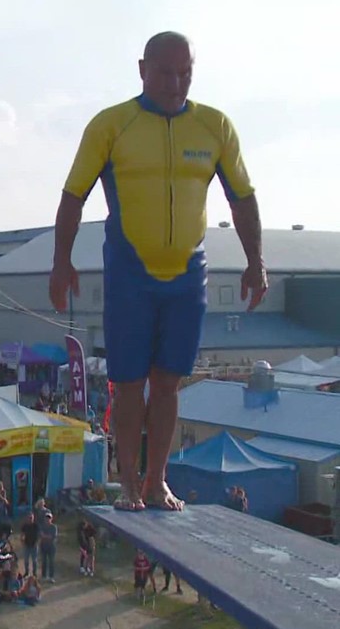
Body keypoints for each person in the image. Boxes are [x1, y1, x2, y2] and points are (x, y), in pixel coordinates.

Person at [49, 31, 266, 511]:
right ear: (142, 68)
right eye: (166, 72)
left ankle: (156, 480)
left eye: (185, 73)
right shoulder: (112, 125)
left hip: (188, 273)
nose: (176, 83)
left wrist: (256, 261)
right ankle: (128, 483)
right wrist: (61, 261)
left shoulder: (215, 126)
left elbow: (242, 197)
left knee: (168, 381)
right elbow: (73, 196)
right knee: (129, 382)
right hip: (130, 271)